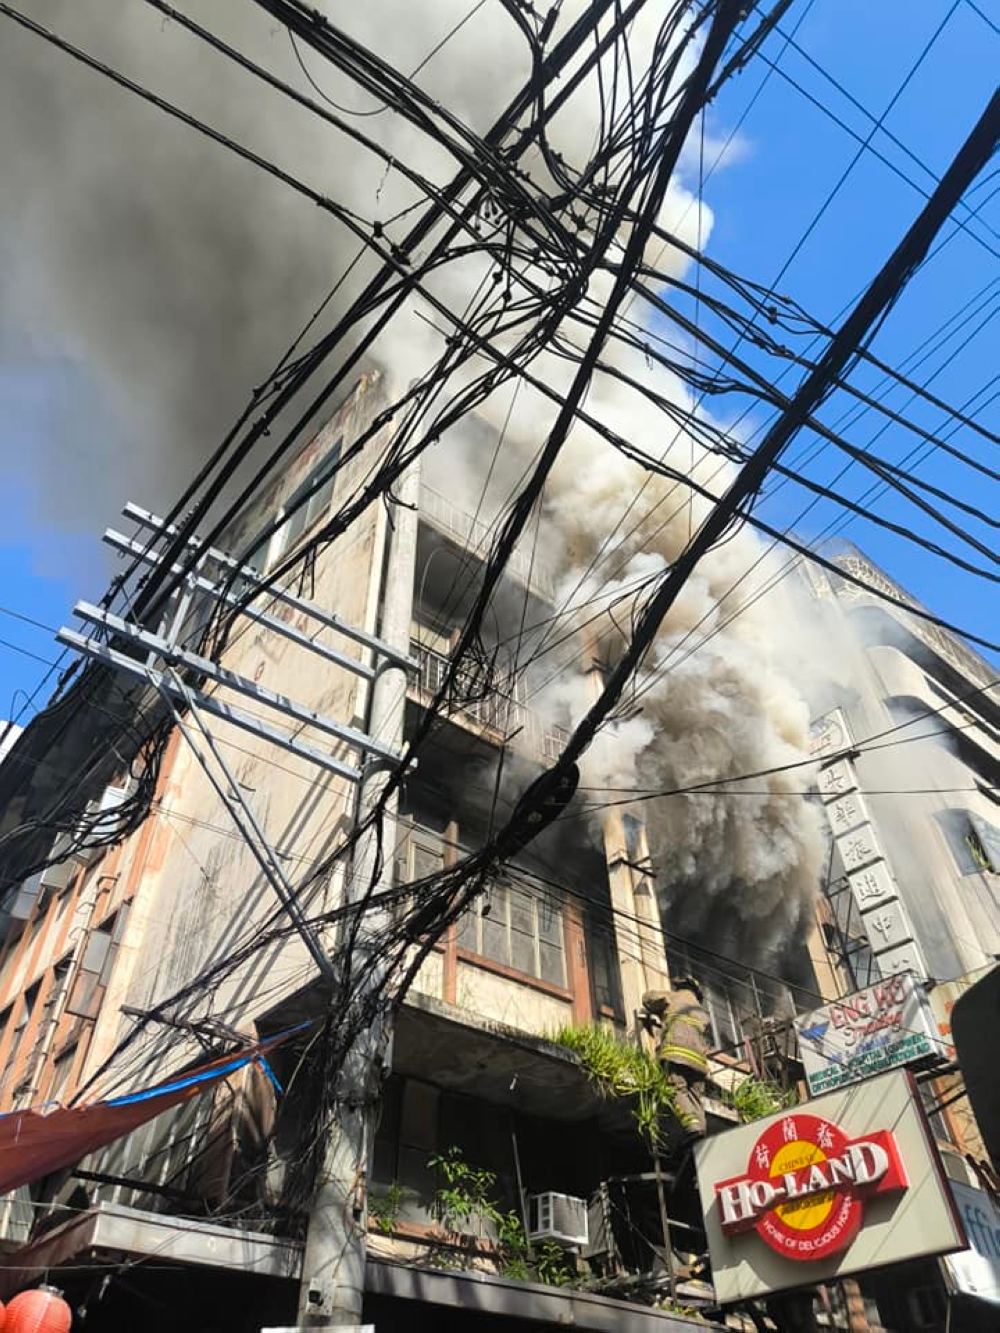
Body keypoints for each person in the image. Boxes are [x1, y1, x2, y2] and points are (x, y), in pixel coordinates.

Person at [641, 976, 710, 1143]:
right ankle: (701, 1136)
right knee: (695, 1097)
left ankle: (692, 1128)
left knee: (676, 1089)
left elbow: (648, 998)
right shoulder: (703, 1013)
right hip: (699, 1062)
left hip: (676, 1053)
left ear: (680, 987)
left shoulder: (673, 997)